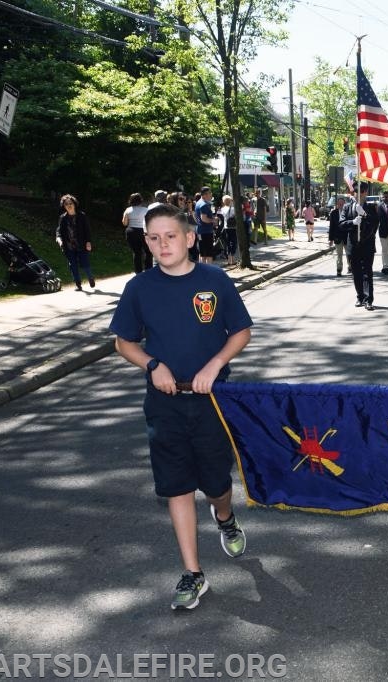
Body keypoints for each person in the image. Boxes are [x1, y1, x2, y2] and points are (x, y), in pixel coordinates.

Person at [109, 202, 253, 611]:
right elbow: (124, 342)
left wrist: (215, 364)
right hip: (164, 404)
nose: (161, 244)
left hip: (212, 402)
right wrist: (152, 365)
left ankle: (225, 517)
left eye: (170, 236)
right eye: (153, 238)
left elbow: (241, 331)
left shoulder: (215, 280)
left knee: (216, 482)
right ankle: (194, 572)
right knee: (176, 485)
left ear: (189, 238)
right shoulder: (139, 287)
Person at [342, 183, 378, 309]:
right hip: (353, 245)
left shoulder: (372, 207)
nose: (359, 193)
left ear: (366, 192)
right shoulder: (347, 207)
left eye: (362, 191)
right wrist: (352, 222)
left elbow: (375, 223)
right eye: (356, 191)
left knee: (367, 273)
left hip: (367, 244)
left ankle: (369, 300)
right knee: (356, 273)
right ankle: (360, 296)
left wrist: (364, 215)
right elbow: (341, 224)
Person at [55, 194, 95, 291]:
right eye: (66, 204)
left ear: (74, 204)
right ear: (64, 206)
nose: (69, 205)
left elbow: (87, 230)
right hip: (69, 247)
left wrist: (88, 242)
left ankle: (90, 277)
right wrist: (59, 239)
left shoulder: (82, 216)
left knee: (85, 263)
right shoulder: (63, 218)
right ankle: (78, 284)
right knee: (72, 265)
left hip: (81, 245)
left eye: (70, 203)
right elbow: (59, 231)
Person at [122, 192, 151, 273]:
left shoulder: (128, 210)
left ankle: (138, 272)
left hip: (131, 231)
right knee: (148, 251)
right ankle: (148, 270)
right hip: (143, 231)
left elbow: (124, 223)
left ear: (130, 200)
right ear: (141, 200)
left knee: (136, 252)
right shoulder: (146, 210)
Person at [193, 187, 217, 265]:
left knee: (202, 252)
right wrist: (213, 220)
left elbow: (197, 217)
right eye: (210, 193)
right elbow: (204, 219)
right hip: (206, 231)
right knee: (208, 253)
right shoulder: (204, 205)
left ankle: (202, 270)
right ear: (204, 195)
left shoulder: (198, 203)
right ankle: (209, 271)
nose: (211, 194)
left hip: (200, 231)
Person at [328, 196, 348, 276]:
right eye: (339, 204)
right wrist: (331, 239)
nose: (341, 205)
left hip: (347, 237)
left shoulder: (348, 212)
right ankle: (339, 269)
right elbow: (331, 226)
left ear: (345, 204)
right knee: (339, 254)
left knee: (348, 253)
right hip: (337, 237)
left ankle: (350, 266)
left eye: (342, 204)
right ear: (337, 204)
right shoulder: (333, 213)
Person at [218, 195, 237, 266]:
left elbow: (219, 218)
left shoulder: (222, 209)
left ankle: (229, 260)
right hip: (233, 227)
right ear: (230, 201)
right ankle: (233, 259)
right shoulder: (233, 209)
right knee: (233, 243)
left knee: (228, 243)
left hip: (226, 228)